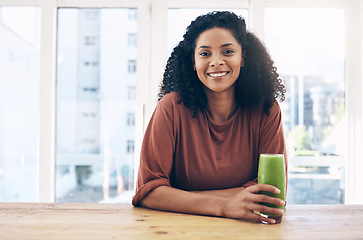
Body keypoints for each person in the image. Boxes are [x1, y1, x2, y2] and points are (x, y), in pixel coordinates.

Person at [132, 11, 287, 224]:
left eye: (228, 51)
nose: (216, 62)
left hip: (246, 231)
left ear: (243, 58)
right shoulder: (170, 108)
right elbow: (148, 191)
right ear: (193, 62)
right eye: (205, 54)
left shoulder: (266, 110)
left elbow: (271, 192)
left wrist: (178, 196)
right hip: (176, 230)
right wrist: (224, 205)